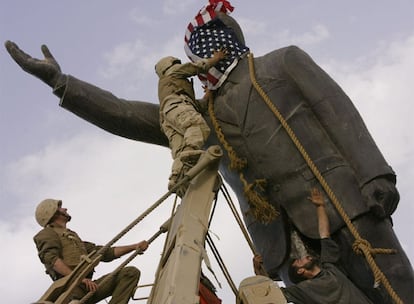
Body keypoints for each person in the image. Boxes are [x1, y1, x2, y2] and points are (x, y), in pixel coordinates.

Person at [5, 1, 414, 302]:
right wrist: (63, 85)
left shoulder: (281, 64)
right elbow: (130, 115)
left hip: (345, 210)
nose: (198, 58)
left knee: (396, 293)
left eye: (202, 45)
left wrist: (375, 174)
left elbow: (337, 110)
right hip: (286, 248)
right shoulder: (203, 117)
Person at [253, 188, 373, 304]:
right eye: (300, 261)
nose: (305, 256)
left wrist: (320, 207)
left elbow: (324, 234)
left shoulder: (330, 268)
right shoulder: (303, 290)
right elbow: (270, 295)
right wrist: (258, 271)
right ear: (300, 271)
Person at [33, 198, 149, 304]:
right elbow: (52, 260)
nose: (65, 209)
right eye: (60, 207)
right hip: (71, 290)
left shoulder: (73, 238)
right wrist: (80, 279)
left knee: (129, 273)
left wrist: (135, 246)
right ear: (53, 212)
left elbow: (104, 252)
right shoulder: (47, 234)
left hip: (88, 286)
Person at [155, 49, 227, 193]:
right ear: (169, 65)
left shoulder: (169, 85)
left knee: (181, 148)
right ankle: (191, 159)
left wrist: (207, 95)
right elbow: (194, 68)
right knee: (197, 126)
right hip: (177, 105)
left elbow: (197, 106)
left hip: (167, 118)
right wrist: (215, 59)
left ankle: (177, 178)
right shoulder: (173, 72)